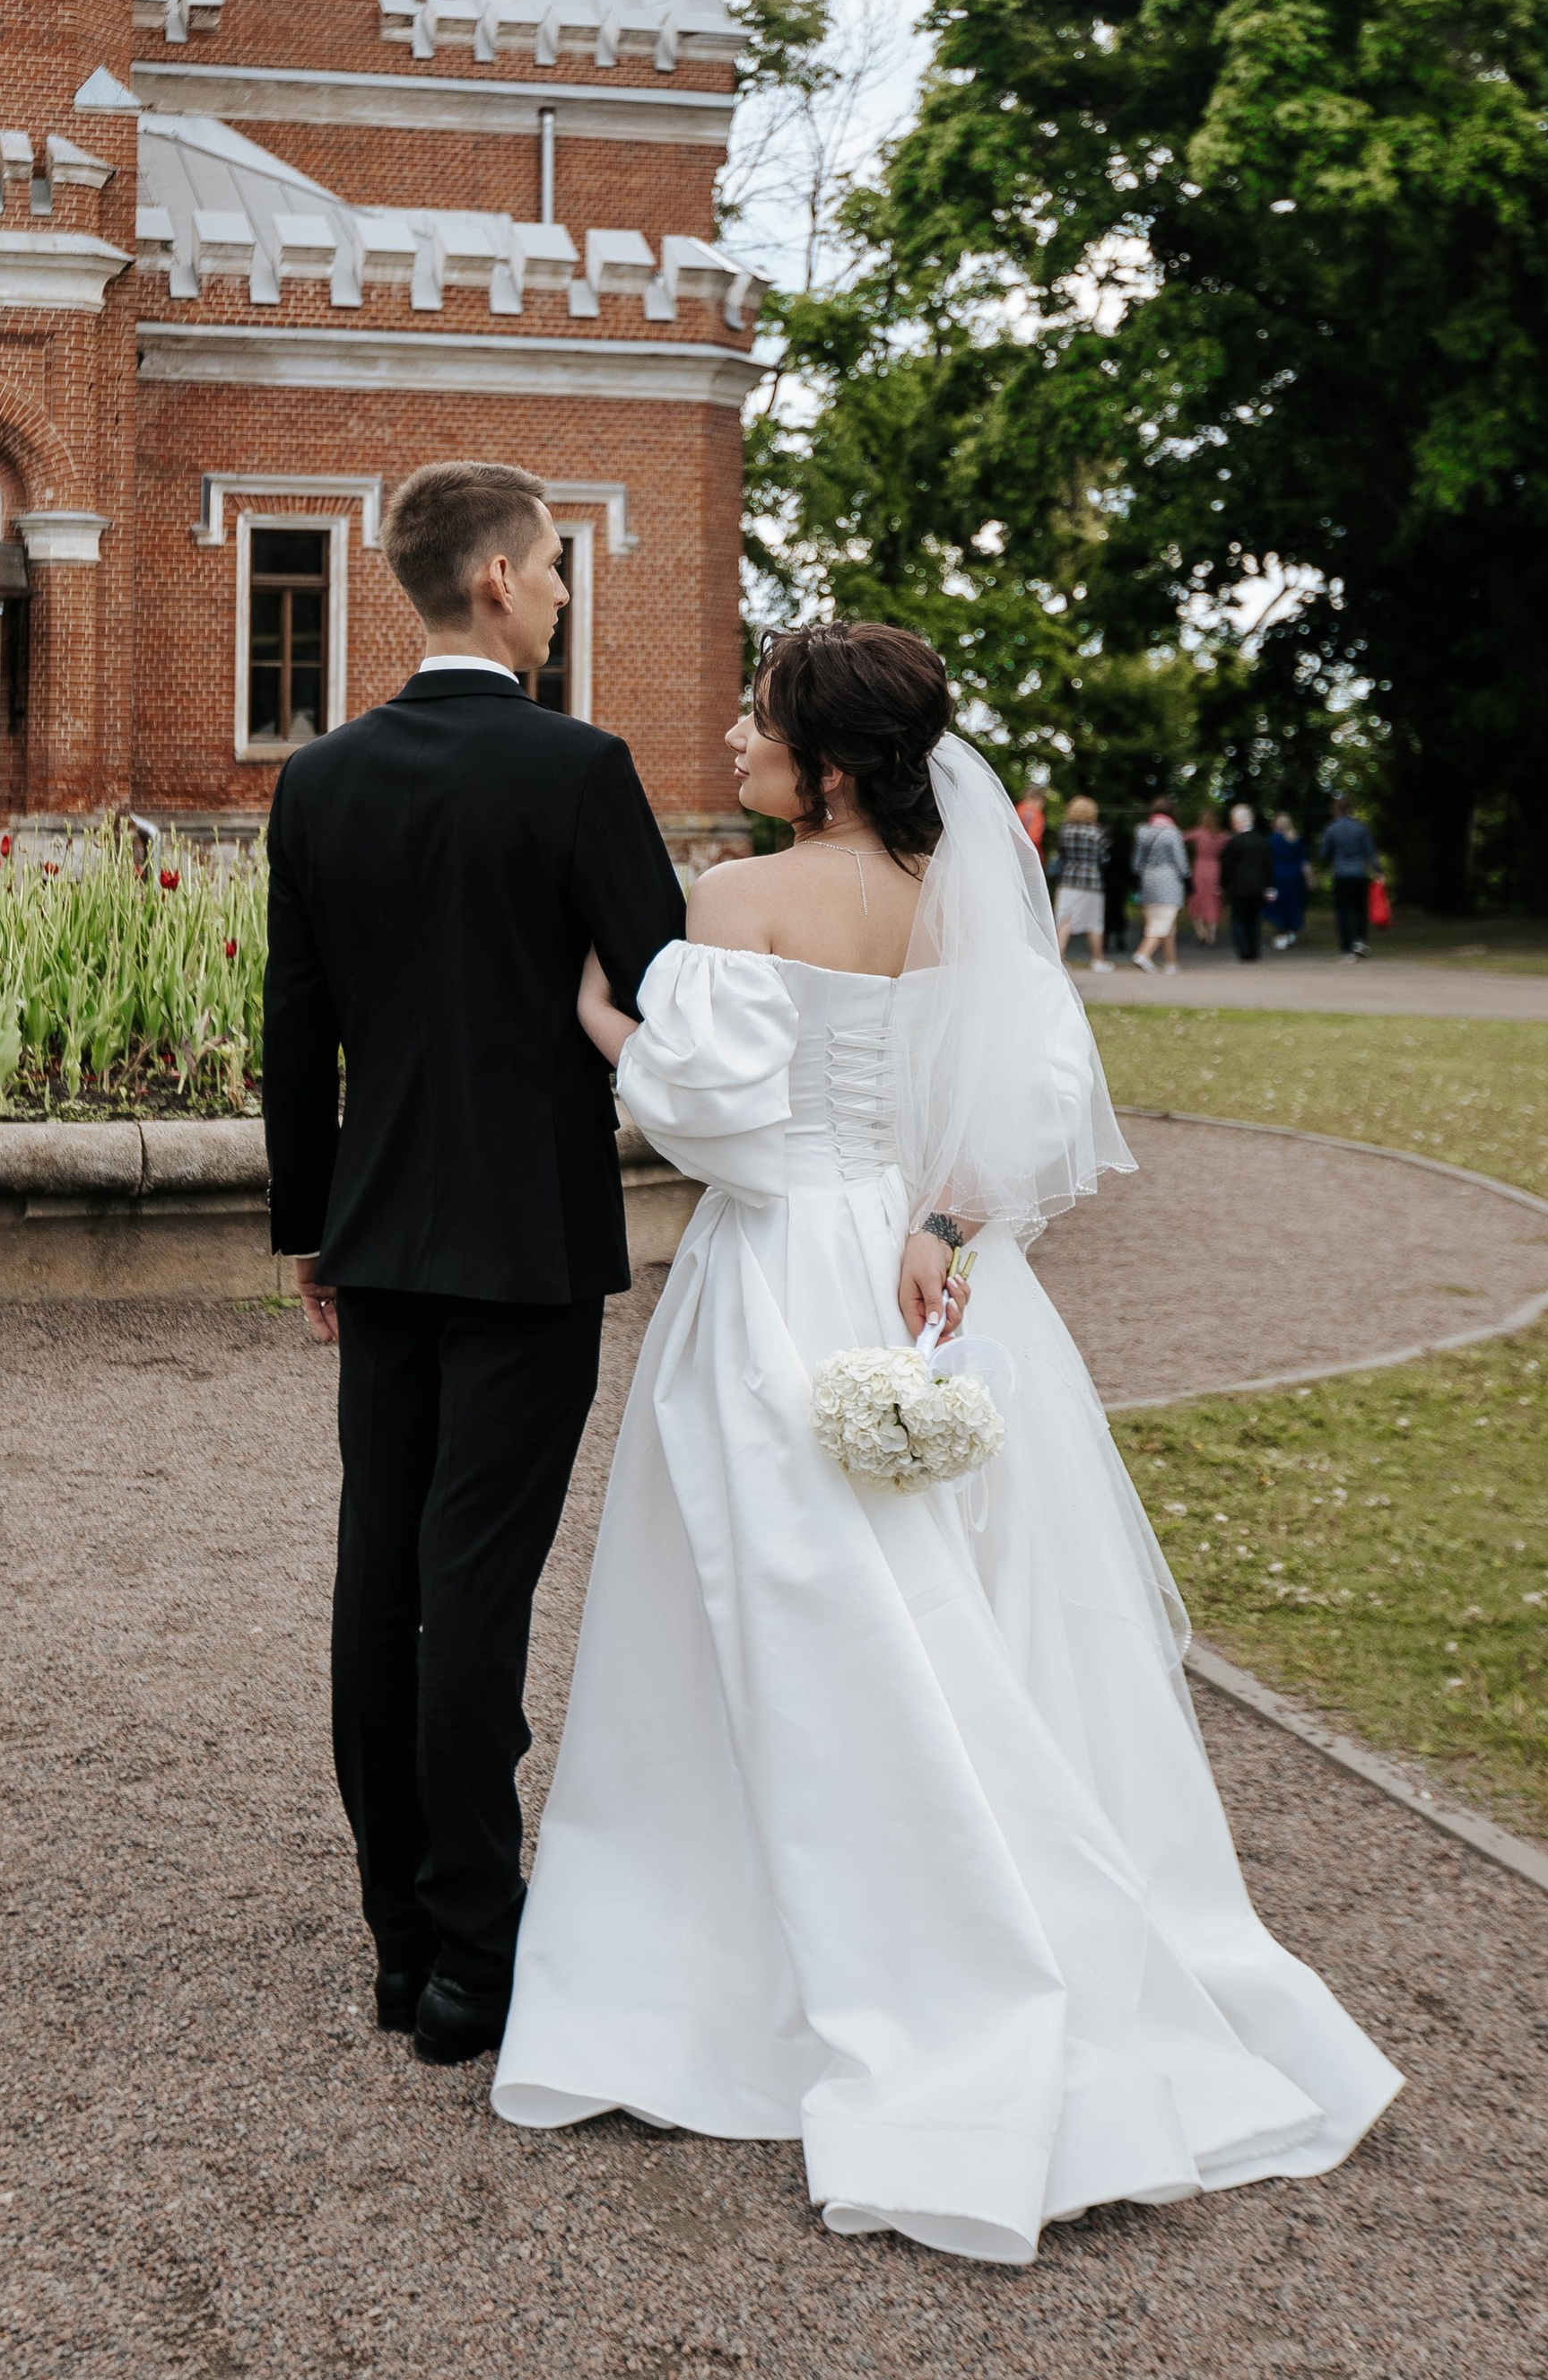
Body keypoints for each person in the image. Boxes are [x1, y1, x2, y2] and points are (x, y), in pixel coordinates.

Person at [495, 623, 1401, 2259]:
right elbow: (1035, 1105)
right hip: (937, 1287)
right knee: (977, 1602)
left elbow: (717, 1127)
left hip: (781, 1280)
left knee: (766, 1608)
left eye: (756, 713)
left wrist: (605, 1023)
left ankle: (749, 1971)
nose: (734, 727)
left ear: (823, 763)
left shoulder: (734, 900)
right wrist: (943, 1216)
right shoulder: (972, 900)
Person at [261, 459, 685, 2067]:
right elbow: (661, 986)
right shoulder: (579, 770)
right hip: (527, 1236)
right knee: (475, 1589)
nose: (567, 594)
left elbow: (297, 1028)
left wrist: (311, 1223)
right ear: (500, 578)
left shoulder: (324, 777)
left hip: (380, 1230)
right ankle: (473, 1959)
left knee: (382, 1575)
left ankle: (395, 1942)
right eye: (558, 569)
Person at [1318, 794, 1383, 960]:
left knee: (1344, 912)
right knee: (1360, 909)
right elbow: (1371, 852)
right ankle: (1360, 940)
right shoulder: (1361, 827)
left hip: (1341, 874)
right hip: (1359, 873)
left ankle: (1347, 948)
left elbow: (1324, 853)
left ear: (1335, 810)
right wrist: (1378, 871)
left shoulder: (1331, 828)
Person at [1128, 800, 1190, 972]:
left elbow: (1136, 863)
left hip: (1148, 880)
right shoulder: (1172, 833)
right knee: (1163, 922)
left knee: (1162, 923)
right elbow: (1181, 862)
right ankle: (1143, 954)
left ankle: (1171, 963)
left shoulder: (1142, 831)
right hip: (1168, 881)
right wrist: (1186, 876)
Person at [1050, 792, 1109, 972]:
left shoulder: (1065, 831)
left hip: (1068, 880)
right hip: (1091, 881)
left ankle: (1059, 958)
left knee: (1064, 920)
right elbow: (1104, 857)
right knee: (1094, 922)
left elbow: (1062, 856)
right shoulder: (1097, 833)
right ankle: (1098, 960)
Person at [1220, 803, 1274, 963]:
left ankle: (1244, 951)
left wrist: (1222, 885)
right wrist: (1270, 886)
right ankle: (1254, 950)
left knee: (1238, 919)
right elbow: (1268, 865)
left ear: (1236, 821)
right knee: (1254, 919)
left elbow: (1227, 866)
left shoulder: (1234, 842)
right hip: (1258, 886)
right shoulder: (1262, 841)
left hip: (1238, 887)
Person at [1267, 811, 1311, 952]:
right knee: (1294, 904)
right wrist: (1310, 878)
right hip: (1295, 877)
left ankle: (1281, 934)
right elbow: (1304, 862)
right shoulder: (1296, 839)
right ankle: (1292, 933)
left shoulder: (1272, 840)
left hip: (1278, 877)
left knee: (1279, 905)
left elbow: (1268, 861)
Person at [1186, 809, 1226, 949]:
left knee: (1197, 900)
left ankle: (1201, 933)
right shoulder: (1221, 836)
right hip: (1215, 869)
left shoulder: (1198, 833)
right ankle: (1212, 936)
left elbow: (1182, 837)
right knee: (1213, 901)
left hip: (1200, 869)